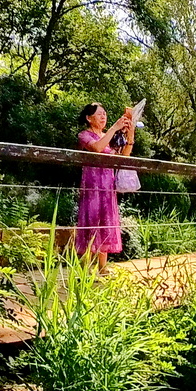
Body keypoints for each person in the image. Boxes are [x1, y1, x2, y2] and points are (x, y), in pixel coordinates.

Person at [73, 102, 136, 269]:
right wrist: (114, 128)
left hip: (108, 187)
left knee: (105, 223)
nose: (103, 117)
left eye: (105, 114)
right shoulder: (84, 135)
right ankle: (86, 269)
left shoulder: (108, 136)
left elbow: (123, 158)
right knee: (91, 223)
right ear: (89, 118)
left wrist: (130, 135)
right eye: (99, 114)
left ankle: (102, 268)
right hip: (92, 186)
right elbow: (97, 148)